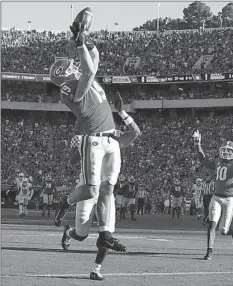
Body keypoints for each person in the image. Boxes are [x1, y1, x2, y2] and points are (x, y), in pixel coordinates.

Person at [49, 14, 133, 252]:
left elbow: (93, 59)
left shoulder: (85, 79)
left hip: (110, 139)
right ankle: (63, 205)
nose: (73, 66)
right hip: (94, 140)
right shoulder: (72, 88)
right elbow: (87, 68)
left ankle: (106, 234)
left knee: (108, 188)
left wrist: (87, 40)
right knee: (91, 190)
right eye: (70, 67)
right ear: (65, 76)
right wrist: (79, 43)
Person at [61, 92, 141, 281]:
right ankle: (68, 233)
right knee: (81, 234)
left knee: (107, 233)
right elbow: (72, 161)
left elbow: (135, 132)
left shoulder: (113, 138)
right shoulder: (87, 136)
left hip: (106, 192)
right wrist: (77, 145)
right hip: (87, 189)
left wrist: (121, 111)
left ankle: (96, 269)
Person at [193, 130, 233, 260]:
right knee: (212, 224)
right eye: (224, 150)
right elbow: (203, 159)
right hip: (216, 197)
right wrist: (197, 143)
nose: (226, 153)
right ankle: (209, 251)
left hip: (229, 199)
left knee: (223, 230)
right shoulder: (218, 161)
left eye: (229, 151)